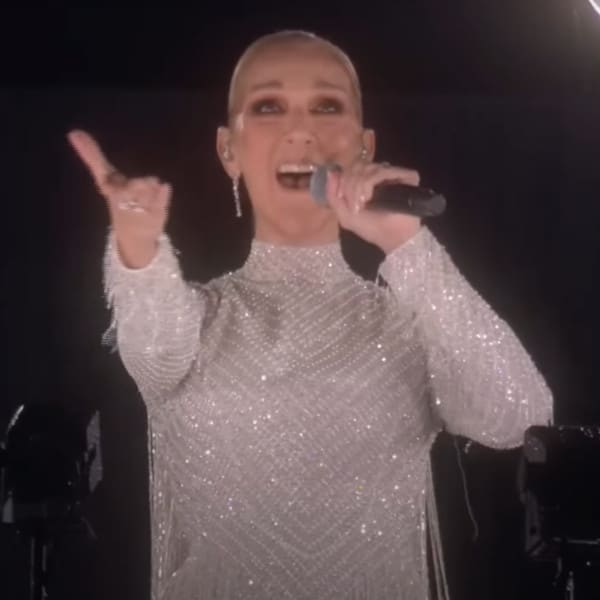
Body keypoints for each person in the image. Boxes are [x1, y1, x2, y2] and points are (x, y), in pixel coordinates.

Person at [67, 30, 553, 600]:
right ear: (228, 150)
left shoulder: (407, 323)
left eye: (326, 106)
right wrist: (138, 250)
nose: (300, 130)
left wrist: (407, 246)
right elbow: (153, 347)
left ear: (365, 147)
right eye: (268, 107)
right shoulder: (198, 319)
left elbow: (517, 416)